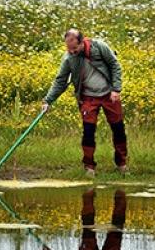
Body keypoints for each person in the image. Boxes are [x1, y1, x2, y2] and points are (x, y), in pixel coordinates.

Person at [41, 28, 128, 176]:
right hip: (88, 98)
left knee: (118, 129)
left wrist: (116, 89)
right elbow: (60, 81)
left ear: (82, 42)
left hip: (109, 94)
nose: (72, 52)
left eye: (74, 48)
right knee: (88, 131)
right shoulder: (68, 58)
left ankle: (122, 164)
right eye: (69, 49)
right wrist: (48, 100)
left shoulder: (99, 47)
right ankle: (89, 167)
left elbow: (115, 65)